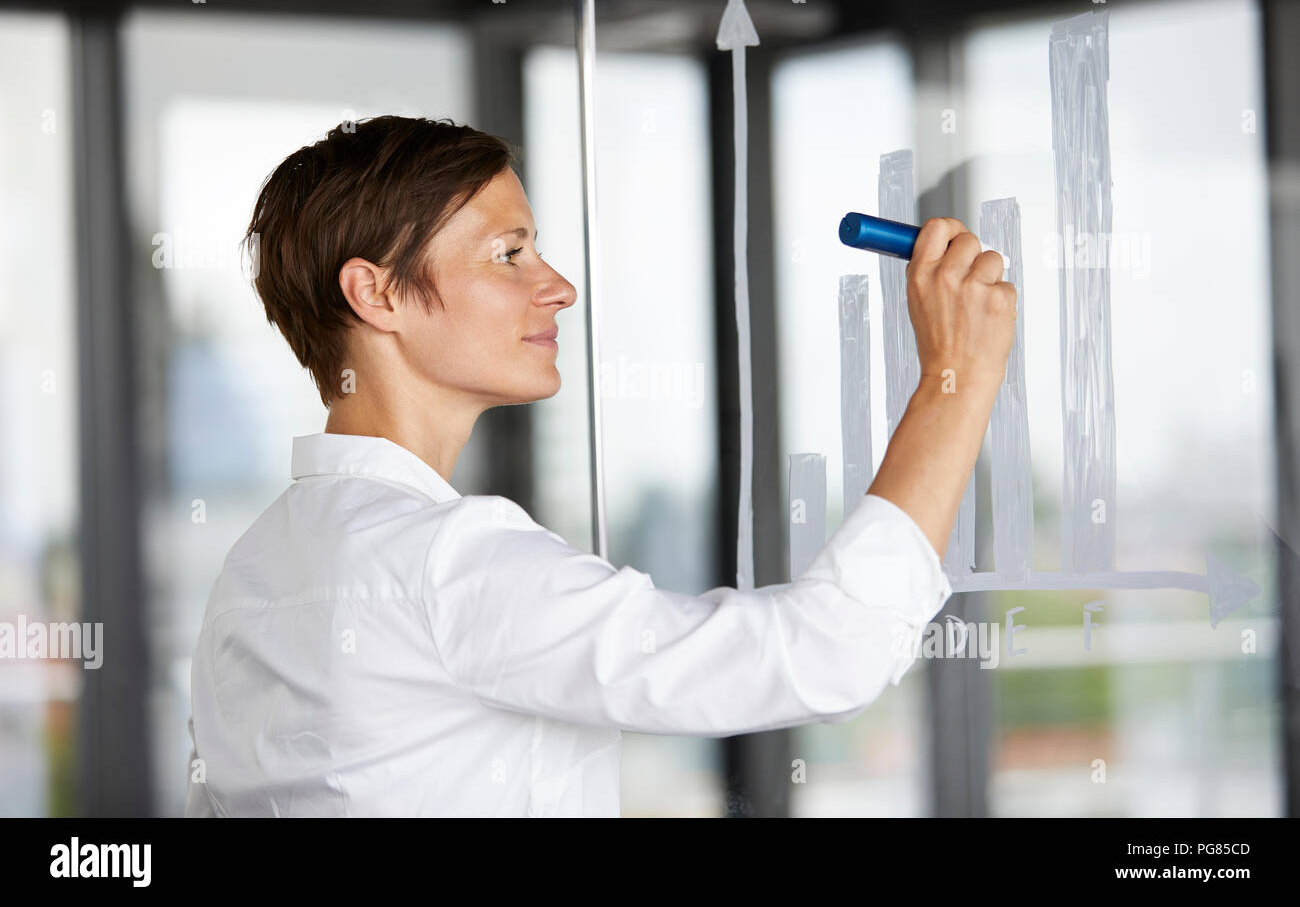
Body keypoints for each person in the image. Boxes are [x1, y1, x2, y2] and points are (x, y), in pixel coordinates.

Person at [183, 115, 1016, 817]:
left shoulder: (250, 571)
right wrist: (959, 376)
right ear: (378, 294)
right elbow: (826, 654)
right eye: (508, 254)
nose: (558, 288)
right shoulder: (448, 563)